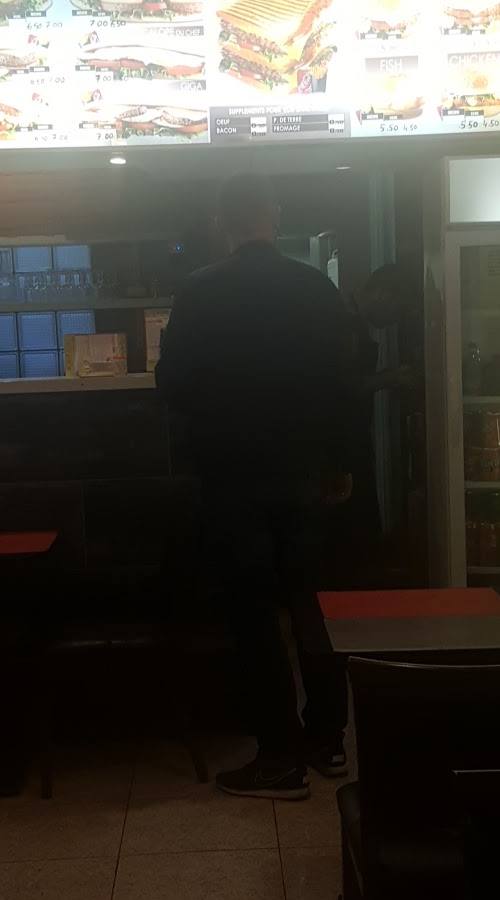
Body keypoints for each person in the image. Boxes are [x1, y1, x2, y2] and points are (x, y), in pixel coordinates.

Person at [156, 174, 353, 800]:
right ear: (275, 215)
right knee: (311, 607)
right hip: (306, 472)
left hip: (232, 474)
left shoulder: (199, 290)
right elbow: (344, 382)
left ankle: (279, 758)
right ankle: (329, 740)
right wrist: (341, 462)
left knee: (253, 613)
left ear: (221, 222)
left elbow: (173, 386)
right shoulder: (316, 287)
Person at [341, 264, 422, 574]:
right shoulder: (345, 323)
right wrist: (394, 378)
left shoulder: (352, 321)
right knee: (355, 526)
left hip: (353, 436)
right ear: (384, 295)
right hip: (343, 441)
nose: (394, 321)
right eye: (397, 311)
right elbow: (346, 385)